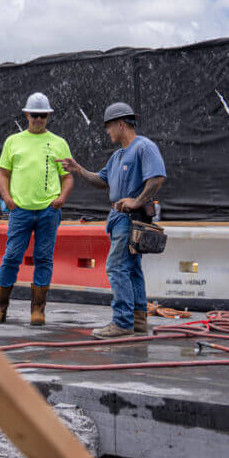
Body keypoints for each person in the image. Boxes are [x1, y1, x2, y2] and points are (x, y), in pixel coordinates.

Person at [60, 102, 166, 338]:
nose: (107, 131)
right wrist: (79, 169)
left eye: (109, 126)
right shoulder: (118, 156)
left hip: (131, 218)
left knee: (116, 266)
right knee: (132, 270)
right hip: (120, 219)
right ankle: (138, 320)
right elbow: (101, 180)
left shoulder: (143, 147)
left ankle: (122, 322)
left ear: (120, 124)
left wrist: (137, 201)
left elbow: (157, 178)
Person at [0, 92, 74, 326]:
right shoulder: (13, 142)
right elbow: (3, 174)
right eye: (35, 115)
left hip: (48, 210)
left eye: (43, 116)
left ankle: (38, 310)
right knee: (12, 256)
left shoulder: (59, 143)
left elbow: (67, 177)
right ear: (27, 115)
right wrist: (7, 198)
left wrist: (61, 199)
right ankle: (0, 307)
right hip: (21, 211)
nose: (39, 119)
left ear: (48, 116)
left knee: (43, 258)